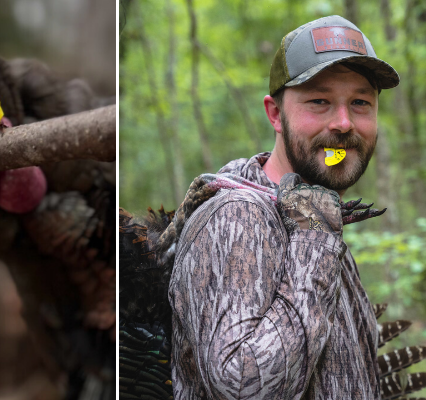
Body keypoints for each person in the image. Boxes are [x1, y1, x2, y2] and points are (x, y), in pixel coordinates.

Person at [168, 15, 398, 398]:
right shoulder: (237, 215)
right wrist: (314, 242)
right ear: (275, 114)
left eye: (360, 102)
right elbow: (243, 385)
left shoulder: (313, 211)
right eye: (319, 101)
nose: (343, 123)